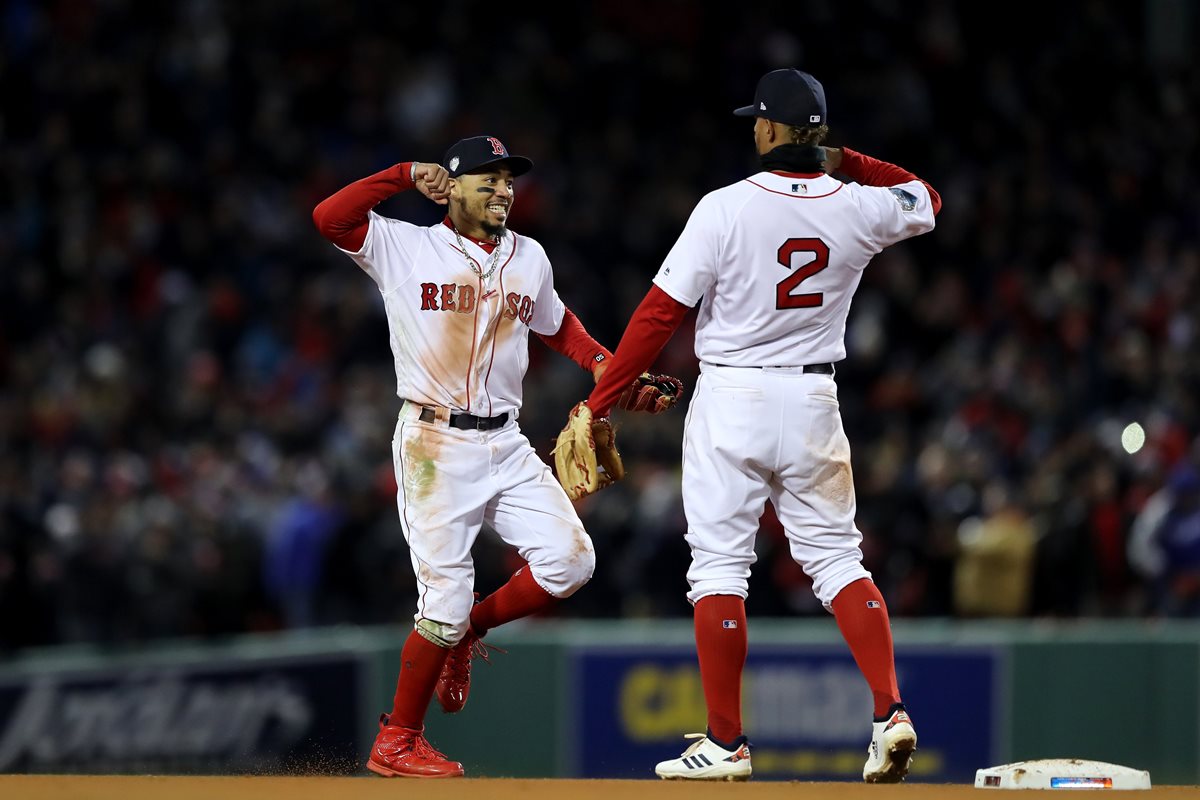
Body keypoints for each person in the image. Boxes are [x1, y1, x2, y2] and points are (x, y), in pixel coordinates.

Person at [579, 68, 942, 782]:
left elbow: (658, 316)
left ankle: (726, 742)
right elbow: (927, 197)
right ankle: (888, 712)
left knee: (718, 569)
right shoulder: (861, 207)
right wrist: (851, 164)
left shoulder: (723, 208)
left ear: (772, 131)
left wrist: (598, 404)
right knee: (840, 562)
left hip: (732, 402)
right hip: (812, 402)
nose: (753, 128)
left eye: (759, 120)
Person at [313, 136, 617, 778]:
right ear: (450, 188)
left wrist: (599, 362)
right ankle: (395, 740)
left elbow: (555, 322)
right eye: (488, 179)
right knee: (441, 601)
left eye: (509, 180)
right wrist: (398, 173)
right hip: (434, 443)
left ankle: (470, 632)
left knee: (571, 561)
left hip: (506, 441)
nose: (504, 189)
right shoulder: (406, 246)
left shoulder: (528, 256)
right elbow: (329, 218)